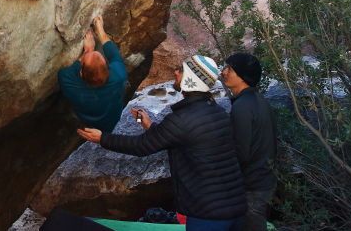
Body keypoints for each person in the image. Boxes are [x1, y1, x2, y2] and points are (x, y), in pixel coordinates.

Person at [78, 55, 247, 231]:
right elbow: (182, 138)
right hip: (235, 207)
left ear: (191, 79)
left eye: (181, 70)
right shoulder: (217, 111)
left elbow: (141, 146)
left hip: (208, 214)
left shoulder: (182, 119)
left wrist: (102, 138)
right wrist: (149, 125)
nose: (175, 72)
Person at [221, 53, 277, 231]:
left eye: (229, 68)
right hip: (263, 180)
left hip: (251, 187)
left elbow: (241, 152)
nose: (223, 72)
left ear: (242, 75)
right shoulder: (259, 101)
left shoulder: (242, 107)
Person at [57, 15, 127, 133]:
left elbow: (66, 72)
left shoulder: (68, 81)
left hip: (88, 120)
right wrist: (100, 29)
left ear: (81, 73)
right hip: (114, 118)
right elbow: (114, 54)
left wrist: (88, 51)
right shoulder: (119, 76)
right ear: (108, 67)